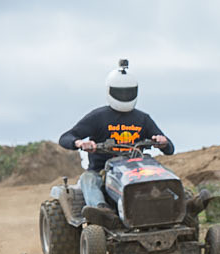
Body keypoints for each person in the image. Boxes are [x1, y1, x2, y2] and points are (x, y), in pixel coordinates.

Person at [59, 59, 174, 228]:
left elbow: (169, 148)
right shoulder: (98, 117)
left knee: (163, 175)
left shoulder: (143, 119)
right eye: (120, 92)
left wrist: (162, 142)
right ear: (110, 91)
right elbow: (66, 137)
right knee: (87, 179)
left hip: (137, 169)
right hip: (103, 171)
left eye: (128, 92)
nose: (124, 96)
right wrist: (79, 143)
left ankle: (181, 204)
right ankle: (102, 211)